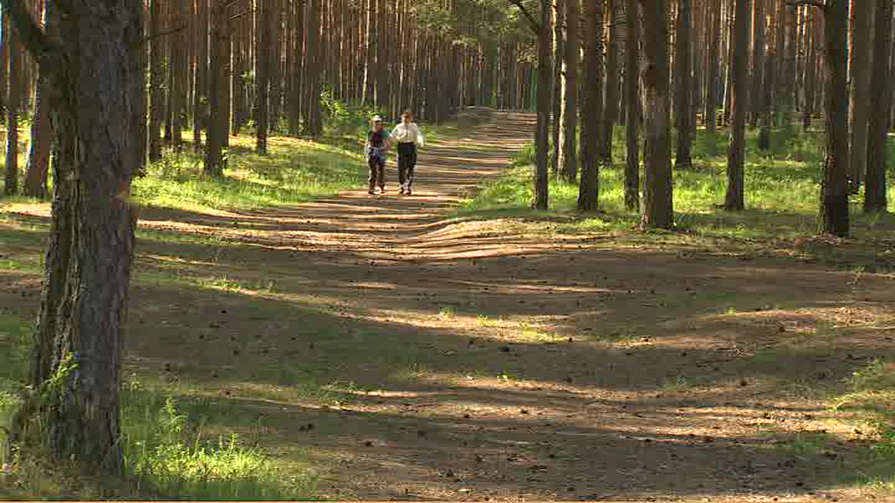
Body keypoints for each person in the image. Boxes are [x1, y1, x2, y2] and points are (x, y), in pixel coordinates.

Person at [390, 110, 425, 196]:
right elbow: (392, 136)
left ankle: (408, 187)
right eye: (404, 118)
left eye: (407, 118)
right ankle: (402, 185)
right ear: (402, 118)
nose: (406, 120)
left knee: (411, 166)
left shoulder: (414, 126)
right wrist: (392, 142)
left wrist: (421, 141)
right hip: (401, 147)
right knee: (401, 167)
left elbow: (419, 134)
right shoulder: (398, 127)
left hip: (411, 147)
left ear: (411, 119)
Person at [366, 115, 391, 195]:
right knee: (373, 171)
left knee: (381, 171)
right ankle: (371, 187)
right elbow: (367, 142)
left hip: (381, 154)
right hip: (371, 153)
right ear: (372, 123)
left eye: (378, 122)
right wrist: (367, 151)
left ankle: (381, 187)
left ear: (381, 123)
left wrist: (383, 148)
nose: (376, 124)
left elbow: (388, 143)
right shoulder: (370, 132)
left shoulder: (385, 133)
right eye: (375, 122)